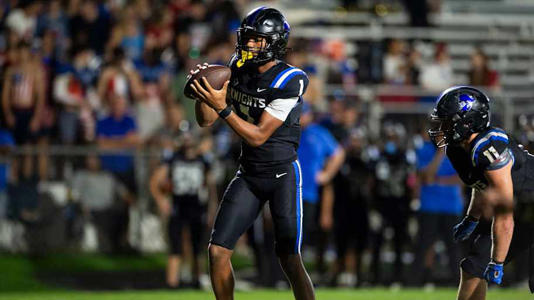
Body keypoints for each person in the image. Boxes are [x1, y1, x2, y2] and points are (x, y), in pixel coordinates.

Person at [189, 7, 315, 300]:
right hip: (249, 173)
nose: (249, 45)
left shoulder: (290, 79)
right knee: (218, 252)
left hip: (281, 173)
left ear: (274, 43)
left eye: (257, 40)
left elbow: (258, 136)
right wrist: (205, 93)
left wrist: (223, 107)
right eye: (247, 38)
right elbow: (205, 120)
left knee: (289, 258)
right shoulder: (238, 67)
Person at [428, 86, 534, 300]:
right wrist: (472, 218)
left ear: (468, 121)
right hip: (518, 205)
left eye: (448, 121)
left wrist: (497, 262)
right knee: (473, 267)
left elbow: (504, 210)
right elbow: (482, 185)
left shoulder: (489, 147)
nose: (442, 127)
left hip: (523, 206)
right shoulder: (459, 149)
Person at [150, 133, 215, 288]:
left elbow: (210, 186)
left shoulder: (203, 160)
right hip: (178, 205)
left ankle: (197, 279)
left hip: (197, 206)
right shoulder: (173, 158)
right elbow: (155, 182)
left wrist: (212, 207)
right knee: (176, 245)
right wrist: (161, 201)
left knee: (197, 246)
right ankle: (172, 283)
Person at [411, 127, 463, 286]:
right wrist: (440, 154)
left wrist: (438, 180)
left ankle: (459, 284)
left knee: (454, 250)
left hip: (452, 207)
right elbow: (425, 176)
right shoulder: (424, 150)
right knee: (423, 247)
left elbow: (462, 178)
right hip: (429, 207)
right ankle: (414, 283)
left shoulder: (457, 151)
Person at [297, 102, 345, 277]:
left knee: (312, 232)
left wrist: (326, 174)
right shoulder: (287, 130)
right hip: (288, 190)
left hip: (310, 192)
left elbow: (338, 153)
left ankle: (315, 271)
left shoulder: (318, 133)